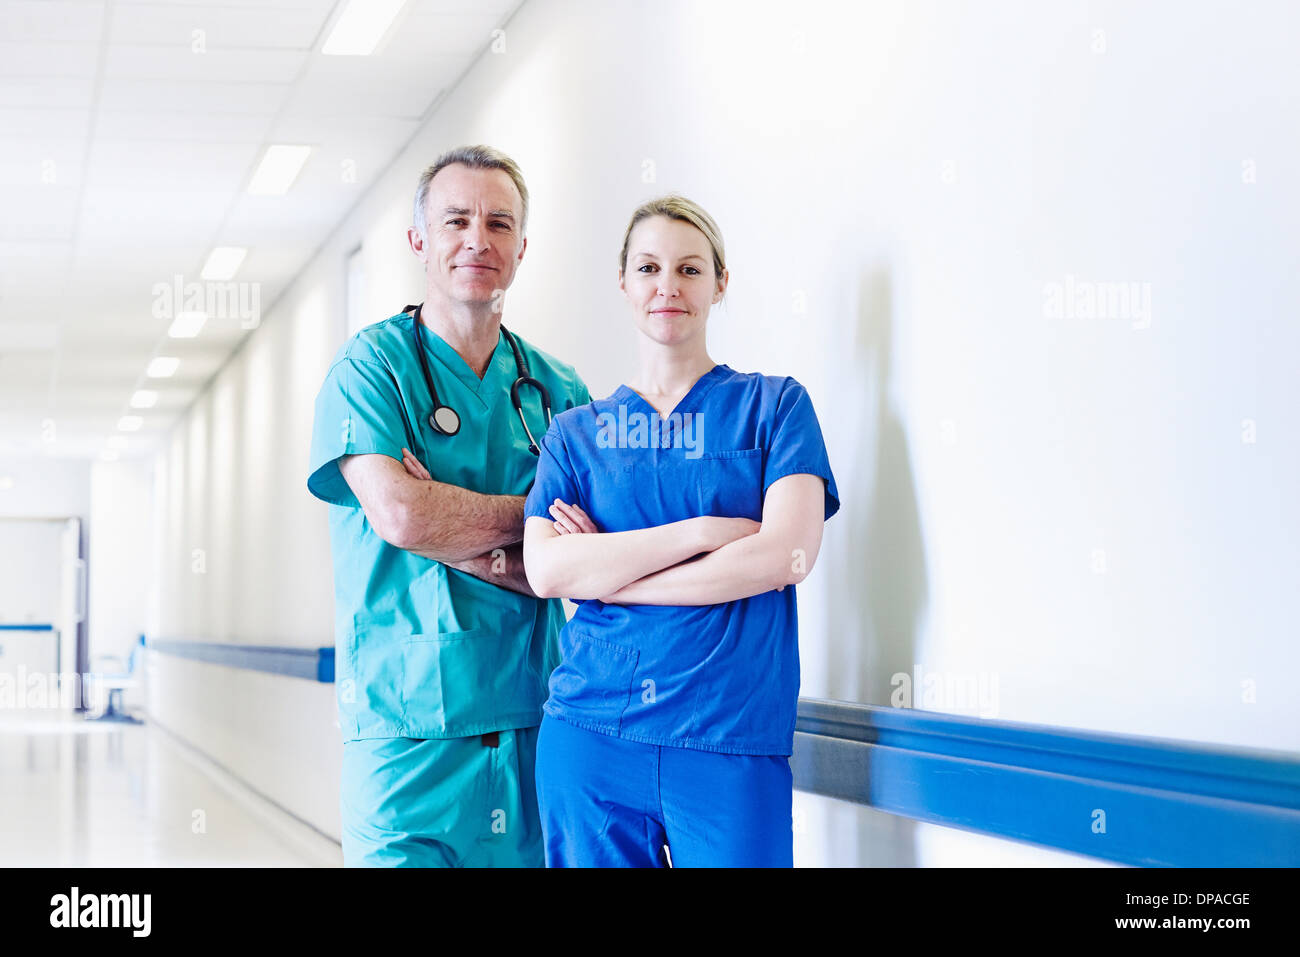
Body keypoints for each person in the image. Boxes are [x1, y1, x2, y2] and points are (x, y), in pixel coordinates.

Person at [521, 195, 839, 867]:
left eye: (691, 269)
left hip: (729, 736)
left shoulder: (775, 407)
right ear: (624, 283)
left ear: (720, 283)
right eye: (649, 267)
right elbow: (548, 572)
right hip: (591, 736)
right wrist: (703, 530)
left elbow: (787, 551)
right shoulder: (576, 434)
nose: (669, 285)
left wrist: (610, 574)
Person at [307, 145, 590, 867]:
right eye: (456, 219)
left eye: (498, 223)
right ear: (419, 241)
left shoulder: (559, 392)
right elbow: (401, 517)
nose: (477, 239)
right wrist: (532, 521)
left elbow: (586, 564)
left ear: (521, 247)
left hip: (532, 728)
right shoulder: (369, 370)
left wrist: (443, 520)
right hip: (402, 738)